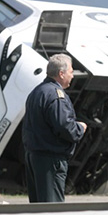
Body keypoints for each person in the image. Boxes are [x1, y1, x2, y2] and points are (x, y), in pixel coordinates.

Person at [22, 53, 87, 203]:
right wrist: (80, 128)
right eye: (71, 72)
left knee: (38, 206)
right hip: (50, 160)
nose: (72, 76)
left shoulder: (37, 91)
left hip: (35, 156)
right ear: (61, 73)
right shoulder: (56, 96)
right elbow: (64, 127)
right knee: (52, 208)